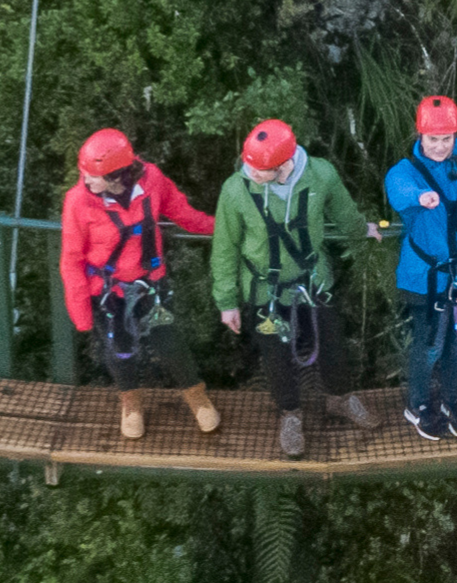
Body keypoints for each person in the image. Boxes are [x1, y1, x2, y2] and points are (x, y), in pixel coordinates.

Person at [210, 118, 383, 461]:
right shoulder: (236, 190)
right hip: (265, 289)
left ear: (285, 164)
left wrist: (360, 229)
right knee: (276, 356)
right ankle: (291, 414)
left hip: (313, 279)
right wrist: (227, 301)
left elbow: (343, 212)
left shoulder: (321, 175)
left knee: (332, 341)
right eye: (249, 165)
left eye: (260, 169)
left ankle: (340, 397)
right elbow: (225, 248)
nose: (251, 172)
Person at [60, 128, 220, 441]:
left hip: (150, 284)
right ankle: (130, 404)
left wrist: (219, 229)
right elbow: (71, 259)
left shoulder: (152, 181)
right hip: (110, 292)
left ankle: (196, 397)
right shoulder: (78, 201)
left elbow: (182, 213)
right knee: (119, 350)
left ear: (115, 174)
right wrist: (81, 315)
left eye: (91, 174)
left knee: (170, 343)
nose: (84, 180)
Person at [382, 94, 457, 441]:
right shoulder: (406, 171)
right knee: (430, 344)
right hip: (428, 278)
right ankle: (417, 404)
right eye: (433, 139)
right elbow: (397, 189)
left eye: (447, 138)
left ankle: (451, 399)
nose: (441, 146)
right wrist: (420, 198)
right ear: (420, 136)